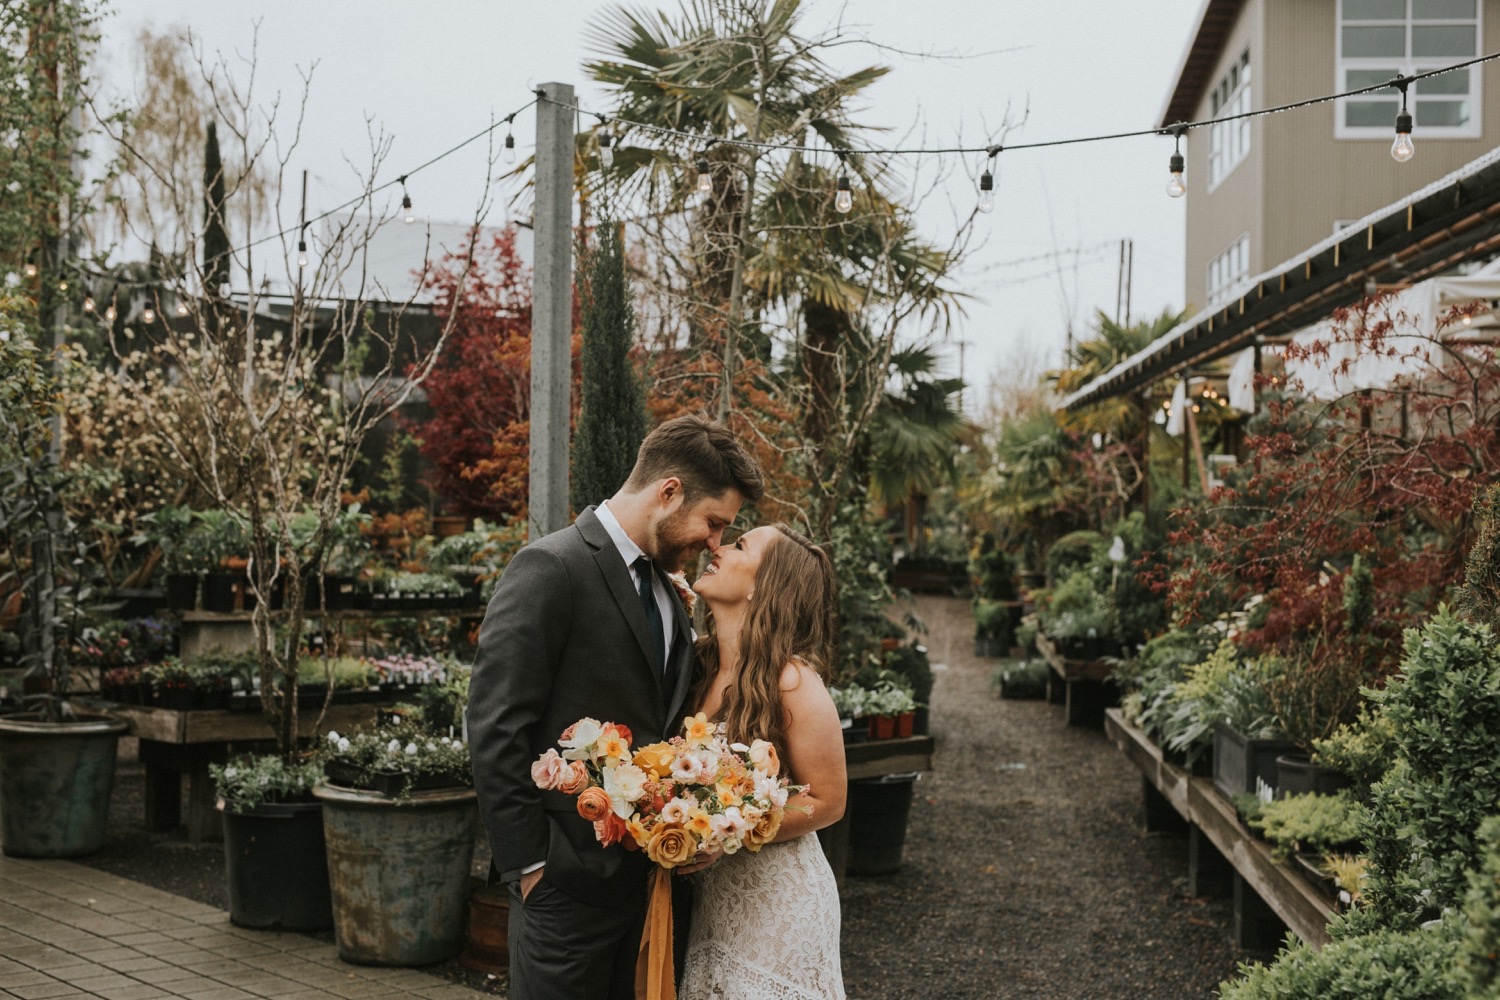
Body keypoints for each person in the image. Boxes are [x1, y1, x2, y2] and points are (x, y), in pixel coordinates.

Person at [467, 413, 765, 1000]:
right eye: (713, 523)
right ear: (669, 491)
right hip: (563, 892)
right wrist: (532, 869)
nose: (713, 543)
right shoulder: (552, 568)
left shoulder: (668, 589)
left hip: (646, 889)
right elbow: (493, 723)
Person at [678, 523, 848, 1000]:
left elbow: (830, 801)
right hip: (715, 908)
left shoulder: (793, 683)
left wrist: (731, 833)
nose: (718, 546)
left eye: (739, 545)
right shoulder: (697, 665)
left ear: (762, 585)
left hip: (779, 907)